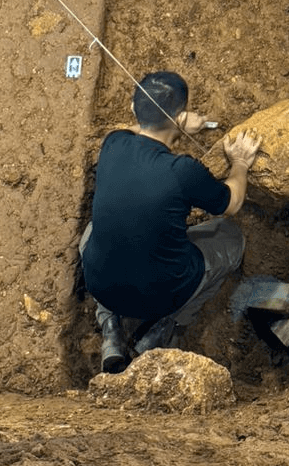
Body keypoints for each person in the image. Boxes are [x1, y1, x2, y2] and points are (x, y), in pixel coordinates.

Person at [79, 71, 262, 373]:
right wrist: (240, 162)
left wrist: (174, 122)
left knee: (92, 232)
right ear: (179, 116)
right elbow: (232, 203)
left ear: (133, 109)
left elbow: (131, 129)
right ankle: (162, 328)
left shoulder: (112, 145)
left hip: (102, 285)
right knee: (232, 238)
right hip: (162, 294)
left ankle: (110, 328)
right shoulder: (182, 171)